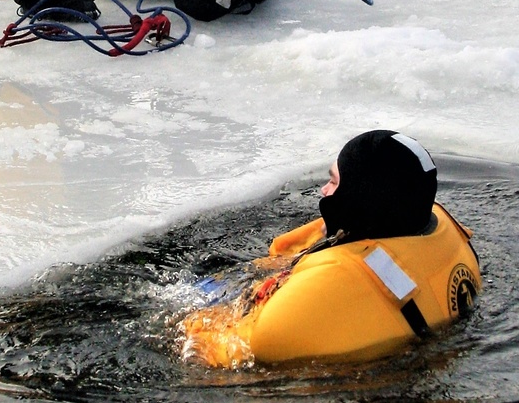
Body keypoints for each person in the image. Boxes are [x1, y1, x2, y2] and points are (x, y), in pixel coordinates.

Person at [182, 130, 482, 366]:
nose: (325, 191)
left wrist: (188, 328)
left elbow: (231, 350)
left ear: (360, 197)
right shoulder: (434, 222)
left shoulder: (329, 286)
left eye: (334, 182)